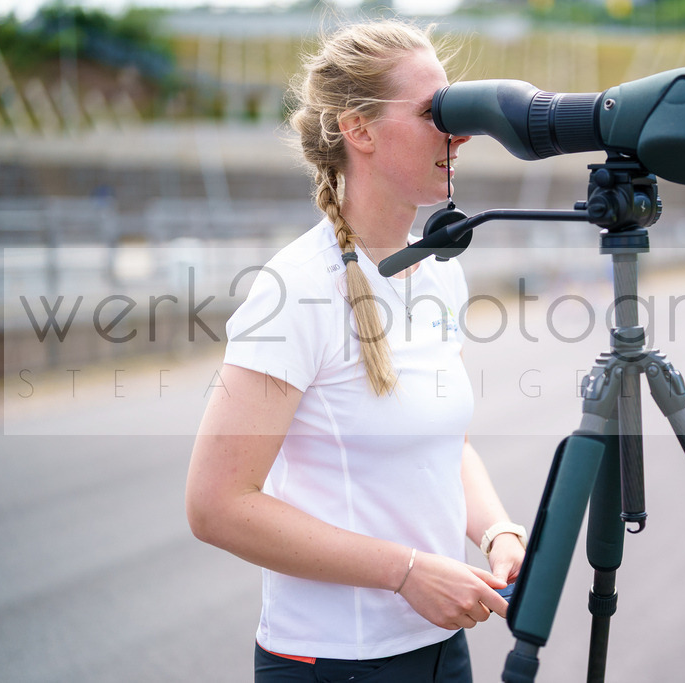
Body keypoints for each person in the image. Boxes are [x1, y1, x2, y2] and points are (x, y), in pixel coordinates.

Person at [185, 18, 527, 682]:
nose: (458, 134)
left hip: (437, 648)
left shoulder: (439, 273)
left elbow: (443, 443)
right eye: (435, 113)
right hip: (332, 663)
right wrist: (404, 571)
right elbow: (216, 502)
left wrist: (494, 529)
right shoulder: (296, 289)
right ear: (359, 130)